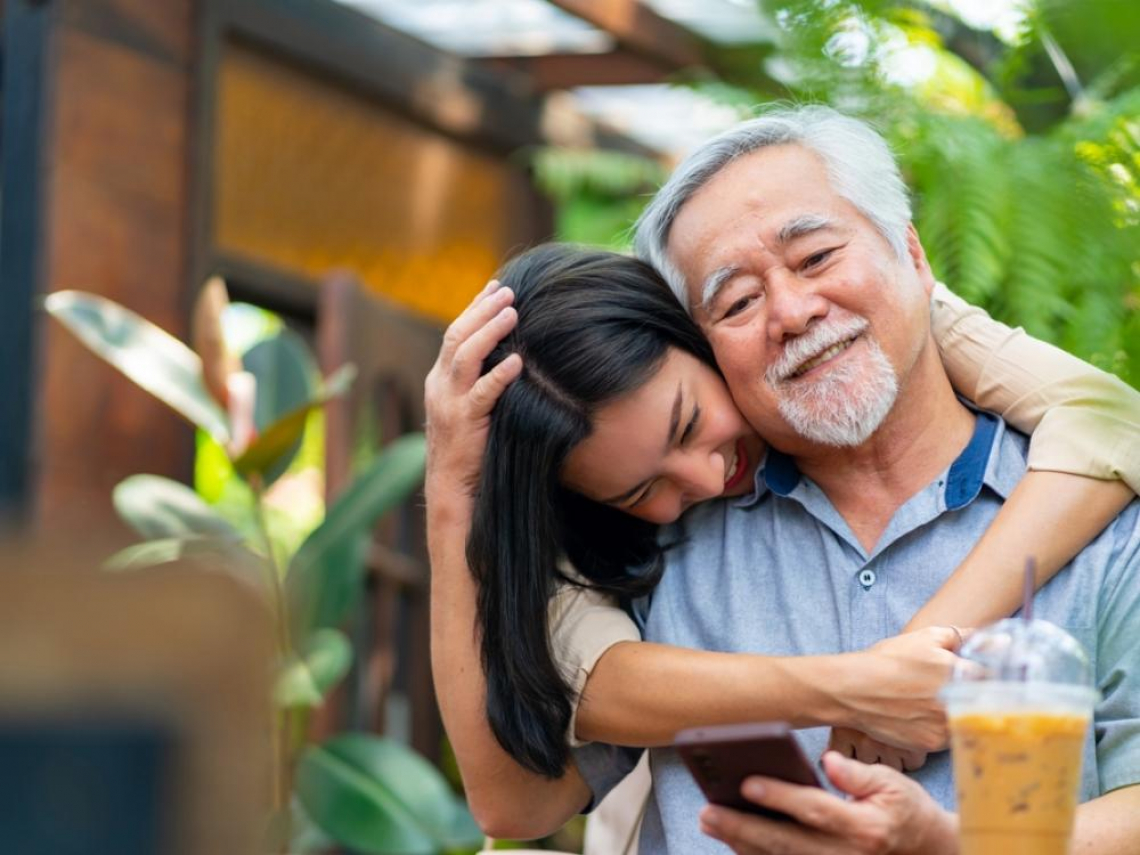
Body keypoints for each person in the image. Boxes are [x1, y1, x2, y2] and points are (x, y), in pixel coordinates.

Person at [550, 105, 1140, 853]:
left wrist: (953, 845)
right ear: (703, 352)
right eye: (737, 302)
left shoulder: (1110, 520)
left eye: (817, 258)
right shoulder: (655, 539)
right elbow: (522, 794)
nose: (793, 312)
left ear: (914, 256)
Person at [426, 248, 1139, 846]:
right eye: (640, 490)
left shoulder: (1067, 495)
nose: (706, 477)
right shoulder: (633, 553)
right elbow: (516, 803)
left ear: (695, 330)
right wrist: (454, 503)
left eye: (687, 424)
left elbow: (1114, 424)